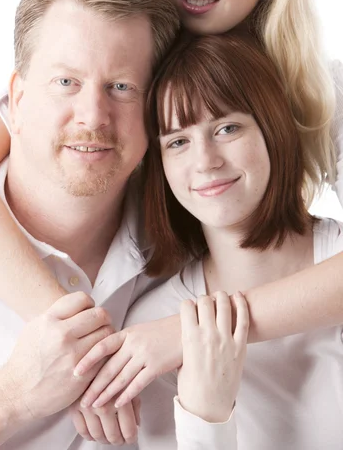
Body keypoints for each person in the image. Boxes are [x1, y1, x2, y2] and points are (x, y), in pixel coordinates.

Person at [0, 0, 343, 427]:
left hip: (229, 342)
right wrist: (81, 344)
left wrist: (189, 332)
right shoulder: (115, 48)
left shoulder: (316, 88)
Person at [0, 0, 180, 449]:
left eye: (122, 87)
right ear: (18, 99)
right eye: (66, 82)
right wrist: (11, 396)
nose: (93, 115)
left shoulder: (185, 247)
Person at [87, 31, 341, 449]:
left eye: (227, 128)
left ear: (273, 129)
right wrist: (206, 418)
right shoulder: (150, 329)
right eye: (179, 141)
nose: (206, 161)